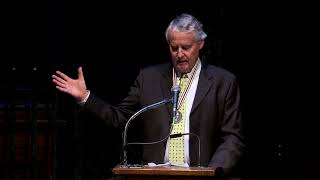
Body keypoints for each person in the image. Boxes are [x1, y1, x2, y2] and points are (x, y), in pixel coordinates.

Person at [52, 13, 245, 176]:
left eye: (186, 47)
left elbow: (232, 138)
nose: (179, 54)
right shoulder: (148, 78)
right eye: (174, 47)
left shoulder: (223, 82)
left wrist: (211, 172)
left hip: (201, 176)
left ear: (200, 43)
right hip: (154, 176)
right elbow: (119, 118)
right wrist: (85, 97)